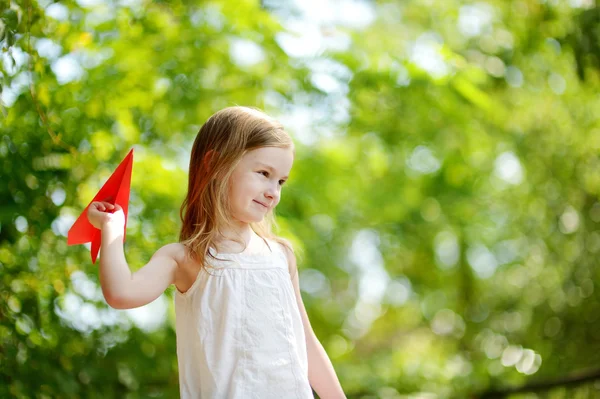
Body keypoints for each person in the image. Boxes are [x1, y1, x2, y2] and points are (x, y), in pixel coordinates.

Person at [87, 106, 347, 399]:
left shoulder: (280, 256)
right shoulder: (185, 258)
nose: (274, 191)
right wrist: (112, 226)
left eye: (281, 181)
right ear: (214, 164)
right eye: (264, 173)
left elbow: (306, 344)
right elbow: (121, 293)